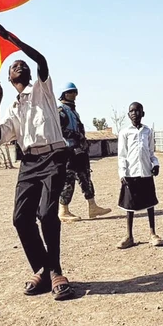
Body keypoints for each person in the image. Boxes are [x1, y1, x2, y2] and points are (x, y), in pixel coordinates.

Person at [0, 16, 73, 301]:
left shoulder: (43, 90)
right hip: (29, 164)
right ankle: (41, 268)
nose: (18, 64)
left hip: (54, 156)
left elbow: (41, 59)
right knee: (20, 219)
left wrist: (10, 37)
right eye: (13, 66)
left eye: (20, 63)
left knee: (47, 214)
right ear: (10, 79)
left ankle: (56, 271)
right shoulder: (12, 107)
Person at [57, 82, 111, 222]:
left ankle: (92, 207)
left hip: (79, 151)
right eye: (71, 92)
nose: (74, 94)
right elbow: (59, 130)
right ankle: (63, 210)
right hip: (68, 151)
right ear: (64, 94)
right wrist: (77, 136)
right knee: (68, 180)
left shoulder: (73, 111)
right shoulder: (61, 111)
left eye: (75, 91)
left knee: (85, 178)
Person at [117, 102, 163, 248]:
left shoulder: (147, 132)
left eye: (137, 111)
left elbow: (151, 153)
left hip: (145, 172)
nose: (134, 113)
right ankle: (129, 236)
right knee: (129, 206)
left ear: (143, 114)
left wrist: (155, 164)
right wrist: (122, 173)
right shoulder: (124, 133)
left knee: (150, 203)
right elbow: (122, 155)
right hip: (130, 174)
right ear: (128, 115)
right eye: (131, 111)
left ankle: (152, 234)